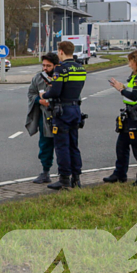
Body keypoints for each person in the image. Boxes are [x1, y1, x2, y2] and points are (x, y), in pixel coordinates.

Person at [104, 49, 137, 187]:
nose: (129, 65)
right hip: (131, 114)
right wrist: (123, 86)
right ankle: (120, 174)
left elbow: (134, 96)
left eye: (131, 62)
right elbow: (133, 91)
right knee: (121, 146)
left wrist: (120, 89)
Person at [42, 40, 87, 190]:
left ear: (61, 51)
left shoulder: (61, 69)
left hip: (62, 111)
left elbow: (56, 92)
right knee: (74, 145)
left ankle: (64, 179)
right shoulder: (81, 68)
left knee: (62, 146)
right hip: (75, 109)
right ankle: (76, 178)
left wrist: (45, 94)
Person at [26, 53, 59, 183]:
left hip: (60, 116)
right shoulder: (38, 78)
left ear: (56, 66)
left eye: (48, 66)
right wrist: (39, 101)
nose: (45, 68)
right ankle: (45, 172)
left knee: (63, 146)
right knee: (45, 145)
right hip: (44, 118)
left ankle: (65, 174)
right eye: (43, 65)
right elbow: (30, 94)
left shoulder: (61, 78)